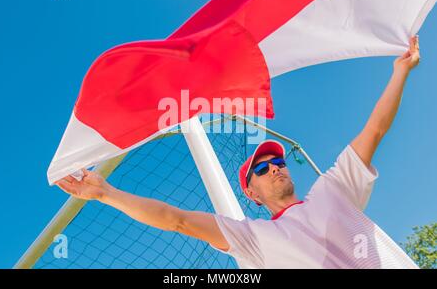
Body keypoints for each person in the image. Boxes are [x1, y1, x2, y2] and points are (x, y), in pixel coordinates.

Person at [55, 36, 421, 269]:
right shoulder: (253, 240)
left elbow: (374, 130)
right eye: (262, 168)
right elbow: (174, 219)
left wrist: (400, 72)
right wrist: (105, 192)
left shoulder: (333, 191)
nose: (275, 168)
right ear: (250, 193)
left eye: (277, 162)